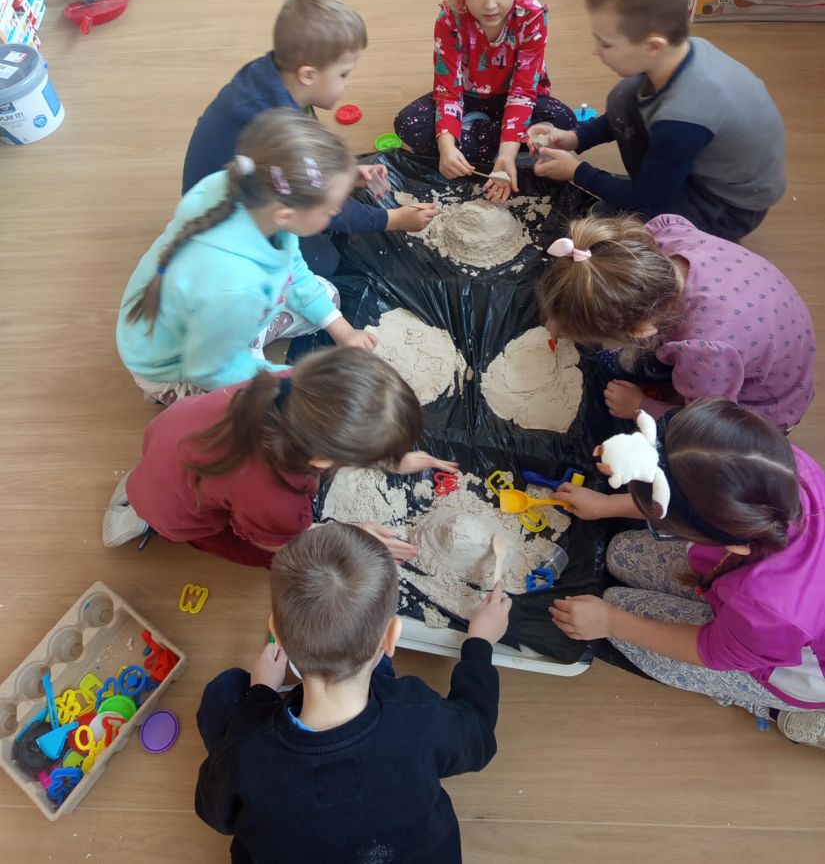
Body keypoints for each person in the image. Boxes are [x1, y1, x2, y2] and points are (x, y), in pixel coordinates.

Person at [194, 522, 512, 862]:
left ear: (277, 633)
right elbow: (478, 735)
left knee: (225, 690)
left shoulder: (245, 751)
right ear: (391, 637)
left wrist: (260, 693)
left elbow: (214, 812)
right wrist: (479, 644)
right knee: (380, 677)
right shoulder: (418, 716)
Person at [550, 399, 825, 751]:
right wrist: (605, 506)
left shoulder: (773, 610)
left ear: (734, 544)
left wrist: (610, 623)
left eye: (667, 527)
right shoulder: (775, 465)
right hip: (754, 596)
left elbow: (711, 651)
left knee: (618, 607)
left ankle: (769, 706)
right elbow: (686, 485)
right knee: (620, 553)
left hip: (789, 663)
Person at [117, 111, 377, 405]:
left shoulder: (252, 196)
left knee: (327, 298)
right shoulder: (236, 289)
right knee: (269, 410)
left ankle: (244, 342)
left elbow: (293, 269)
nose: (336, 213)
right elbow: (208, 371)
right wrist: (295, 378)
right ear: (286, 215)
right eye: (330, 211)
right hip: (177, 366)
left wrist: (343, 331)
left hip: (206, 325)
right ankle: (181, 388)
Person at [532, 0, 785, 240]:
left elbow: (650, 202)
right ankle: (656, 180)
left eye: (606, 44)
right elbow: (626, 112)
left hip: (725, 208)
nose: (595, 51)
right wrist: (577, 137)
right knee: (626, 96)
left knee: (606, 231)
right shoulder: (681, 53)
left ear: (653, 46)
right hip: (709, 163)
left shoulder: (682, 119)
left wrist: (577, 172)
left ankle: (689, 225)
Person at [103, 348, 458, 556]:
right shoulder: (275, 497)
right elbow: (281, 542)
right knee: (267, 556)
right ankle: (141, 519)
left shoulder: (293, 385)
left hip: (169, 442)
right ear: (320, 461)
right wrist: (351, 534)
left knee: (169, 478)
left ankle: (140, 487)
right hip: (177, 510)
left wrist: (390, 456)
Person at [182, 0, 437, 275]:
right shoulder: (276, 126)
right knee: (323, 262)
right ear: (308, 75)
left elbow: (305, 163)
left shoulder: (274, 77)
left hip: (237, 186)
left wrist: (348, 173)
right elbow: (316, 197)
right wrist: (392, 219)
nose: (348, 83)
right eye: (343, 74)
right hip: (224, 221)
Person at [537, 212, 815, 432]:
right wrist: (569, 311)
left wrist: (640, 407)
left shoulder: (706, 350)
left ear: (641, 331)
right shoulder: (663, 238)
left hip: (767, 406)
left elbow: (708, 423)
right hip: (752, 314)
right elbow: (601, 276)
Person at [394, 0, 576, 204]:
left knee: (564, 122)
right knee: (409, 124)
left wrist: (506, 154)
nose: (490, 5)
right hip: (467, 97)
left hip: (517, 100)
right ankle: (489, 143)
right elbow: (448, 91)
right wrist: (446, 146)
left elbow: (523, 93)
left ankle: (487, 144)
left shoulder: (532, 15)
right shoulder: (450, 17)